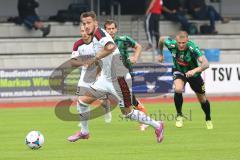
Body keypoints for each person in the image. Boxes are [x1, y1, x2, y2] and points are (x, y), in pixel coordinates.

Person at [68, 11, 164, 143]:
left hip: (120, 79)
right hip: (105, 79)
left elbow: (111, 47)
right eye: (84, 23)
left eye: (89, 22)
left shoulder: (99, 33)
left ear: (95, 23)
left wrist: (94, 58)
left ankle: (158, 125)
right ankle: (84, 132)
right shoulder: (92, 38)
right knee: (82, 101)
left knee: (128, 113)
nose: (86, 26)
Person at [158, 31, 213, 129]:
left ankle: (208, 119)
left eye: (183, 43)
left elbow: (206, 64)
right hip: (179, 71)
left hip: (194, 74)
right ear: (176, 41)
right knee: (178, 89)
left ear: (187, 41)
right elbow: (161, 39)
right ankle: (179, 115)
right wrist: (160, 54)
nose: (181, 45)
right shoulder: (171, 44)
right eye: (179, 42)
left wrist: (195, 70)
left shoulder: (193, 48)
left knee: (202, 99)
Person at [104, 19, 149, 131]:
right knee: (124, 106)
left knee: (128, 99)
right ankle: (143, 118)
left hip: (126, 72)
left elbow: (138, 47)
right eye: (108, 29)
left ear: (116, 29)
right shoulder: (102, 43)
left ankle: (145, 119)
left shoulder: (123, 39)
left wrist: (135, 57)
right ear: (105, 30)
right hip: (112, 75)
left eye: (113, 28)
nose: (111, 31)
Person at [69, 24, 112, 139]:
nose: (83, 33)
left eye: (85, 30)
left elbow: (105, 55)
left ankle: (107, 110)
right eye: (81, 31)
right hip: (85, 75)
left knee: (103, 102)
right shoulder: (78, 44)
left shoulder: (96, 41)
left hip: (99, 73)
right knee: (80, 100)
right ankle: (84, 126)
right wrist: (83, 62)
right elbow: (73, 61)